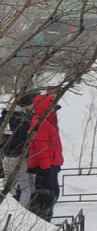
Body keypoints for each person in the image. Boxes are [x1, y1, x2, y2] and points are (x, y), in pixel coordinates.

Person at [24, 86, 61, 220]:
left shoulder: (48, 120)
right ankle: (44, 219)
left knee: (52, 192)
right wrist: (47, 167)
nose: (54, 108)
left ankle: (45, 217)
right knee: (47, 194)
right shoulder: (41, 123)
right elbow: (41, 146)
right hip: (45, 166)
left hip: (50, 163)